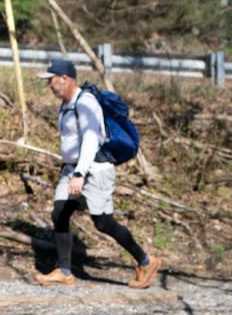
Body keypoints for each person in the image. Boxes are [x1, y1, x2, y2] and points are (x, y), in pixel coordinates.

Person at [33, 58, 162, 288]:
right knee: (60, 214)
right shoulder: (66, 105)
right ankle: (64, 271)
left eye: (51, 80)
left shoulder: (86, 103)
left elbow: (91, 140)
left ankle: (145, 260)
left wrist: (80, 174)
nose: (49, 86)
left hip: (94, 169)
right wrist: (72, 170)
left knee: (103, 222)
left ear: (65, 79)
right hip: (73, 168)